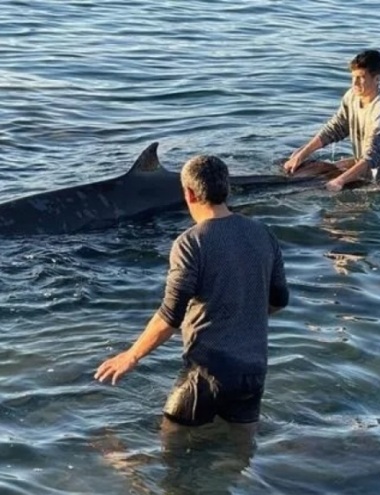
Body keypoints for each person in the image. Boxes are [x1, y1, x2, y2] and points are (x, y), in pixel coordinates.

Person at [94, 154, 289, 444]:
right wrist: (237, 313)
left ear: (189, 193)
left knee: (168, 452)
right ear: (227, 189)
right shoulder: (263, 234)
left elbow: (170, 315)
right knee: (240, 454)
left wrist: (130, 355)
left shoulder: (190, 242)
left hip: (206, 372)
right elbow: (279, 299)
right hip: (253, 372)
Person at [283, 49, 380, 191]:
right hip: (367, 166)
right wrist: (302, 154)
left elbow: (372, 157)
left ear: (377, 79)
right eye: (353, 77)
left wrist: (339, 181)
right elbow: (335, 128)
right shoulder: (352, 96)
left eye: (361, 77)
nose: (355, 83)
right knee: (305, 169)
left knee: (329, 195)